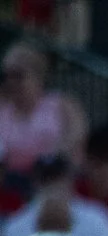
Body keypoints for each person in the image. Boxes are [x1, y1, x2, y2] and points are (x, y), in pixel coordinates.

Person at [0, 43, 84, 189]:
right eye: (7, 76)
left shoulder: (63, 106)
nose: (11, 82)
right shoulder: (2, 109)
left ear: (37, 77)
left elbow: (77, 143)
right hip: (9, 185)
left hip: (52, 182)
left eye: (18, 75)